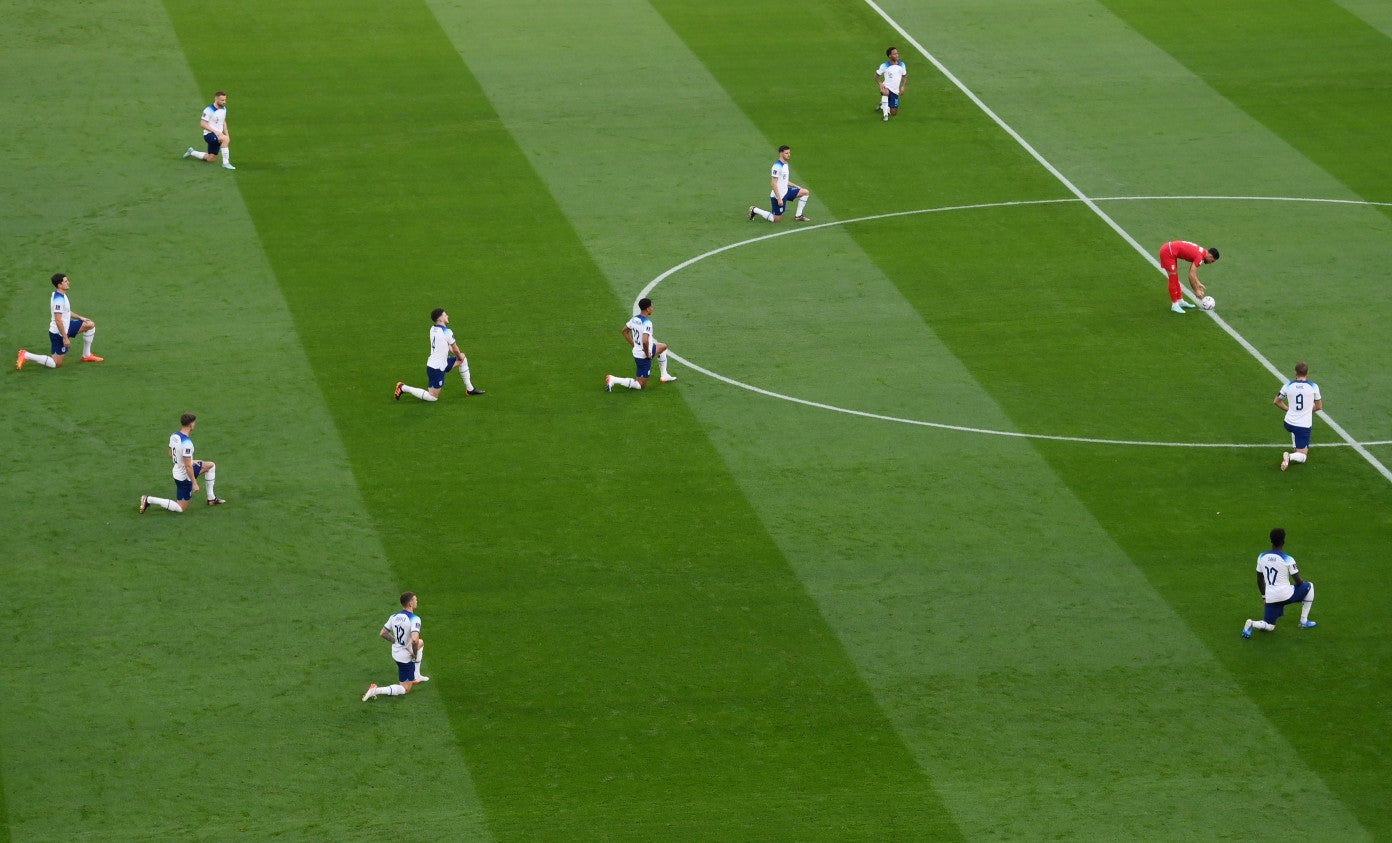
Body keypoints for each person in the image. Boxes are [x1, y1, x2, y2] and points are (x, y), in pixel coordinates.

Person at [139, 413, 227, 513]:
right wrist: (194, 483)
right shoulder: (187, 443)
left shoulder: (174, 436)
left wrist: (191, 460)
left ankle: (211, 499)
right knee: (181, 508)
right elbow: (188, 466)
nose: (195, 424)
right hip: (184, 476)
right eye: (194, 423)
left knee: (210, 466)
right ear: (190, 425)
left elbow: (170, 453)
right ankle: (148, 499)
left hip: (179, 469)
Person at [394, 308, 484, 402]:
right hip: (436, 368)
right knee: (432, 397)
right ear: (440, 319)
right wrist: (458, 355)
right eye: (445, 315)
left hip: (442, 363)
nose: (447, 316)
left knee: (463, 360)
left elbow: (446, 344)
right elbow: (455, 348)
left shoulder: (433, 329)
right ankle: (402, 387)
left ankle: (470, 389)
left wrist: (458, 355)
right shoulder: (447, 332)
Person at [17, 273, 103, 371]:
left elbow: (66, 311)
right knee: (56, 364)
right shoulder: (59, 300)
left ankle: (86, 355)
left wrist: (80, 317)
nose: (68, 283)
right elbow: (58, 320)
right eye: (66, 281)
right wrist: (65, 338)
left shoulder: (61, 294)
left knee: (90, 325)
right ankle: (25, 355)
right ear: (59, 285)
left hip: (67, 326)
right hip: (59, 333)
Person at [1243, 528, 1316, 638]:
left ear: (1271, 540)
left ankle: (1252, 623)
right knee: (1309, 586)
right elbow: (1299, 582)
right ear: (1283, 541)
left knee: (1270, 626)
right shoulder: (1288, 559)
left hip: (1271, 597)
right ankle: (1303, 621)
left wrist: (1264, 597)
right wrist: (1301, 583)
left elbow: (1259, 579)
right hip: (1286, 595)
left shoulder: (1261, 556)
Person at [363, 591, 429, 700]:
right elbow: (414, 640)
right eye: (415, 600)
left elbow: (383, 633)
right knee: (405, 689)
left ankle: (416, 676)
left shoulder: (394, 616)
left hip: (396, 652)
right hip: (405, 657)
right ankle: (376, 690)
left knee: (421, 643)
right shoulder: (415, 618)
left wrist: (396, 641)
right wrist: (414, 654)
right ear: (410, 604)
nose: (417, 601)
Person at [605, 297, 677, 391]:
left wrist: (635, 345)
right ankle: (613, 379)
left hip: (642, 350)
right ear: (647, 309)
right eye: (651, 306)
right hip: (643, 356)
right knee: (640, 385)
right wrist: (648, 354)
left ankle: (664, 375)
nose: (652, 308)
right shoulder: (647, 323)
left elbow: (624, 331)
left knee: (663, 347)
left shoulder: (634, 319)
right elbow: (645, 341)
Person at [1274, 361, 1322, 471]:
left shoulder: (1288, 385)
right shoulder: (1313, 386)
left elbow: (1277, 401)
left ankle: (1296, 447)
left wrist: (1289, 409)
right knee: (1303, 456)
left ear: (1295, 373)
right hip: (1303, 426)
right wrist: (1307, 411)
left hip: (1288, 423)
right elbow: (1319, 406)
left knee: (1295, 431)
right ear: (1307, 373)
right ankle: (1289, 456)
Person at [749, 145, 812, 223]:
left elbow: (784, 180)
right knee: (776, 220)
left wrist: (795, 185)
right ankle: (754, 210)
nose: (789, 155)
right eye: (786, 153)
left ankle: (798, 216)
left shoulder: (785, 164)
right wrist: (779, 199)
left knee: (805, 192)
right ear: (781, 153)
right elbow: (773, 183)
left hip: (786, 191)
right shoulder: (777, 166)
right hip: (778, 195)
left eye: (789, 153)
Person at [1157, 240, 1218, 314]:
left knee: (1175, 278)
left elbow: (1193, 272)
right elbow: (1191, 275)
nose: (1210, 263)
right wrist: (1196, 291)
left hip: (1171, 251)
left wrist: (1198, 283)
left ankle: (1180, 301)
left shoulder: (1202, 253)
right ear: (1210, 256)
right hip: (1167, 252)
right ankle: (1175, 305)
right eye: (1212, 261)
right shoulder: (1200, 257)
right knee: (1173, 278)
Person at [182, 91, 235, 170]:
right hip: (209, 135)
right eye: (222, 100)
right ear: (216, 99)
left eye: (225, 100)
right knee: (225, 139)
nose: (224, 102)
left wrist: (227, 133)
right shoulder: (208, 110)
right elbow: (203, 124)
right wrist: (215, 131)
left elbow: (223, 121)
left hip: (218, 135)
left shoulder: (224, 109)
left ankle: (192, 152)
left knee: (211, 159)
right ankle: (226, 163)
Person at [875, 46, 908, 121]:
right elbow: (876, 76)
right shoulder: (884, 65)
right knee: (885, 92)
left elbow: (905, 76)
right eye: (894, 54)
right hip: (886, 87)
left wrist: (903, 87)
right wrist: (880, 83)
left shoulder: (902, 65)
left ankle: (883, 105)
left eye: (897, 53)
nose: (897, 55)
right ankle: (885, 115)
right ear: (890, 56)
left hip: (895, 91)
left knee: (893, 113)